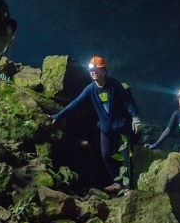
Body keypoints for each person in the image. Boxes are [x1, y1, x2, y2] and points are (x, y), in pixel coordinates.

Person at [50, 56, 141, 192]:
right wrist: (57, 116)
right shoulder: (90, 89)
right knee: (106, 156)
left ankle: (128, 189)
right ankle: (118, 183)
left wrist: (135, 117)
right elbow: (75, 104)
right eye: (90, 70)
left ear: (103, 71)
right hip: (105, 130)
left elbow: (127, 102)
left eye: (96, 69)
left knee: (125, 159)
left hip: (121, 128)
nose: (92, 72)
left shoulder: (114, 85)